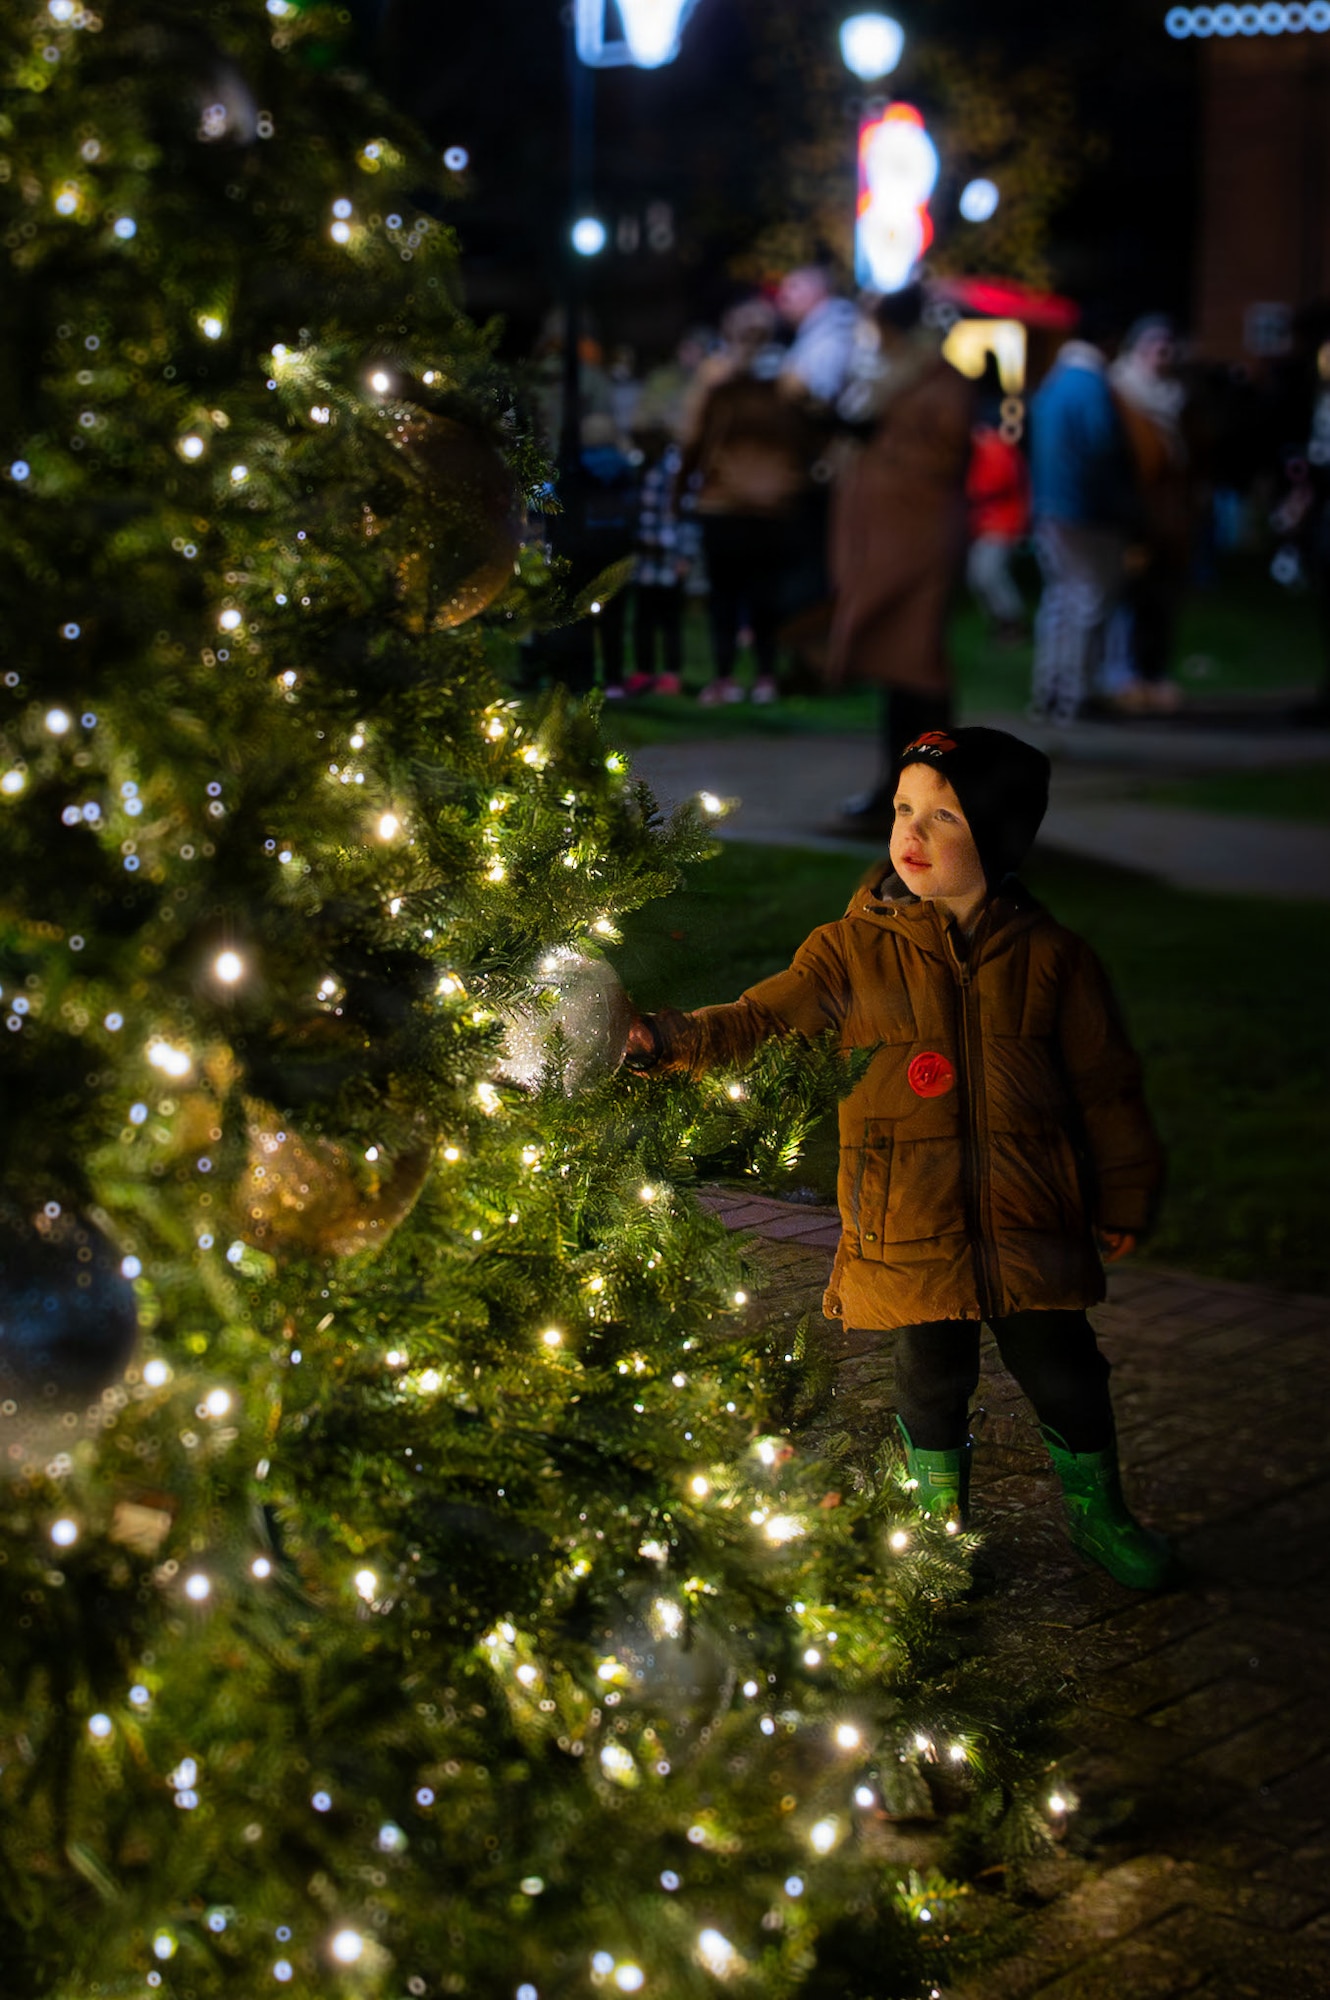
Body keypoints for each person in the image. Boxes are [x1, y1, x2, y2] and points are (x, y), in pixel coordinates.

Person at [624, 726, 1174, 1591]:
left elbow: (1105, 1086)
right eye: (902, 810)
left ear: (997, 837)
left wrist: (1125, 1191)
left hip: (1031, 1218)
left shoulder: (1053, 960)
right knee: (930, 1381)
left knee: (1067, 1370)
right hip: (910, 1214)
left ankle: (1099, 1513)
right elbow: (763, 1022)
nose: (911, 836)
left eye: (943, 817)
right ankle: (939, 1533)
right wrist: (665, 1040)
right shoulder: (849, 952)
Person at [827, 285, 975, 823]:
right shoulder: (890, 378)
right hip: (893, 536)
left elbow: (945, 451)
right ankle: (904, 793)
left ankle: (929, 797)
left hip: (914, 537)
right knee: (902, 671)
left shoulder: (932, 382)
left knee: (916, 667)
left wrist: (880, 446)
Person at [679, 297, 819, 704]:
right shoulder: (791, 381)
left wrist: (682, 489)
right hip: (774, 503)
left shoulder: (715, 380)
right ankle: (764, 677)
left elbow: (692, 438)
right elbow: (811, 433)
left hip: (722, 503)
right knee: (766, 596)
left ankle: (723, 677)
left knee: (724, 596)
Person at [1029, 327, 1136, 723]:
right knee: (1089, 602)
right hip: (1088, 511)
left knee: (1058, 601)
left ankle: (1049, 690)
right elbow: (1102, 448)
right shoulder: (1091, 386)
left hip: (1050, 507)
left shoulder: (1054, 383)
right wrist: (1124, 506)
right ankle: (1077, 694)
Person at [1102, 315, 1191, 713]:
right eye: (1154, 346)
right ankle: (1125, 677)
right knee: (1127, 595)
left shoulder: (1176, 398)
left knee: (1160, 598)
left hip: (1168, 517)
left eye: (1167, 346)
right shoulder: (1121, 392)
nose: (1162, 355)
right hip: (1133, 513)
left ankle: (1152, 674)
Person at [624, 424, 699, 696]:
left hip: (669, 556)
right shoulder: (643, 467)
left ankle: (670, 673)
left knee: (669, 620)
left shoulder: (675, 469)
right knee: (643, 618)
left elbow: (688, 516)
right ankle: (644, 671)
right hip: (645, 556)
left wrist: (685, 556)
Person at [965, 355, 1031, 643]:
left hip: (1003, 521)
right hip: (988, 521)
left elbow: (1000, 482)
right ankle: (1002, 624)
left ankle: (1012, 622)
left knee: (987, 573)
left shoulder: (993, 444)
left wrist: (969, 496)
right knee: (979, 575)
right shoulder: (984, 442)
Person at [777, 265, 861, 411]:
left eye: (793, 286)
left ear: (819, 291)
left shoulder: (836, 329)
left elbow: (821, 399)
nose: (783, 295)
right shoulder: (818, 329)